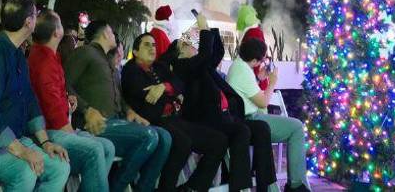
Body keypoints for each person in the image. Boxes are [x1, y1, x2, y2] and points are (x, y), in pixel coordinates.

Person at [0, 0, 71, 192]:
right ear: (28, 23)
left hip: (14, 139)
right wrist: (21, 151)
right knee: (25, 172)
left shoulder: (18, 54)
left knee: (60, 167)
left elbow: (29, 100)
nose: (37, 20)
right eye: (35, 16)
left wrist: (45, 142)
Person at [166, 21, 275, 192]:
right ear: (180, 50)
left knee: (261, 128)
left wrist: (209, 28)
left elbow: (217, 51)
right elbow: (205, 53)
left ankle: (265, 185)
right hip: (205, 119)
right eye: (189, 45)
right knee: (241, 131)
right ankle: (240, 187)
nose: (194, 47)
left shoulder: (202, 66)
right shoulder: (182, 66)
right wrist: (202, 29)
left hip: (224, 116)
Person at [65, 21, 168, 192]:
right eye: (113, 32)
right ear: (105, 33)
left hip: (116, 122)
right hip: (93, 124)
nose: (115, 36)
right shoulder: (85, 52)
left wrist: (129, 111)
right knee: (149, 136)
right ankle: (116, 187)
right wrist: (87, 109)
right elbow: (63, 85)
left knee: (164, 137)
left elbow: (119, 97)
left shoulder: (108, 61)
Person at [122, 30, 225, 192]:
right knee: (183, 143)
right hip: (152, 121)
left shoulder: (159, 66)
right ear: (135, 52)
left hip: (173, 119)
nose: (152, 48)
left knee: (219, 141)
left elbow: (179, 83)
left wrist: (163, 87)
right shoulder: (131, 69)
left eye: (154, 45)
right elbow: (144, 94)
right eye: (146, 45)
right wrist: (171, 93)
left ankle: (192, 187)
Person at [28, 10, 116, 191]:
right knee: (95, 150)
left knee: (107, 147)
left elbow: (55, 92)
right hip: (48, 131)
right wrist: (72, 129)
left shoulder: (50, 56)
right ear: (57, 33)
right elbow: (50, 106)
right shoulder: (44, 61)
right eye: (60, 23)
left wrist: (68, 99)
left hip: (59, 126)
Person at [227, 35, 310, 192]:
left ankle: (296, 183)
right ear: (255, 61)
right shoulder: (243, 71)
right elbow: (263, 102)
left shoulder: (238, 66)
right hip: (252, 119)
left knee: (295, 127)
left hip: (247, 117)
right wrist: (272, 82)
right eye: (262, 59)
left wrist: (259, 78)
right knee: (297, 127)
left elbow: (247, 92)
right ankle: (296, 185)